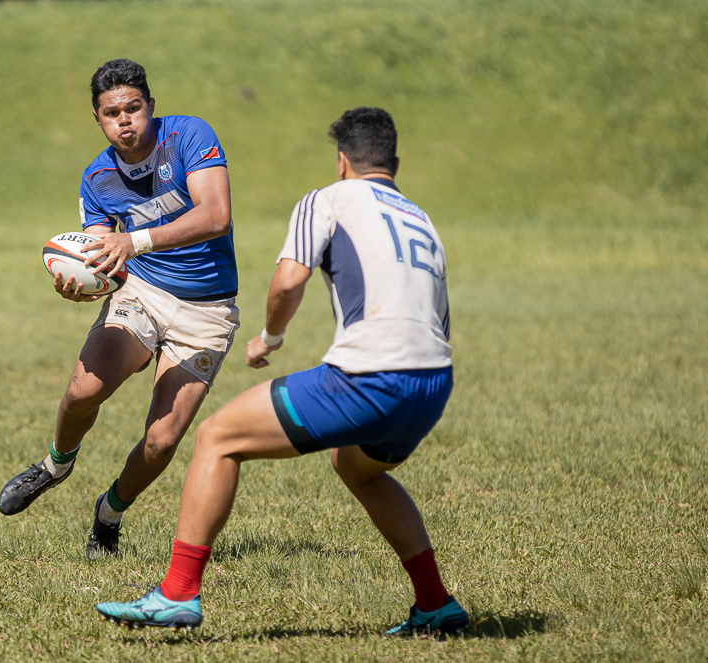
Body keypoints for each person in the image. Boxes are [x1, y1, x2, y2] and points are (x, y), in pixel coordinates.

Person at [94, 107, 470, 636]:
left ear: (342, 162)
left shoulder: (327, 199)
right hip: (433, 381)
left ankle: (177, 594)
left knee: (217, 438)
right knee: (359, 468)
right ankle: (435, 603)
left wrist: (270, 337)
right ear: (395, 164)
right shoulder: (420, 219)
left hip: (371, 375)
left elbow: (289, 281)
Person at [0, 59, 240, 560]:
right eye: (112, 113)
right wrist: (81, 281)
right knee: (84, 387)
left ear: (151, 106)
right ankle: (55, 465)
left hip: (207, 310)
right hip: (142, 292)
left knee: (161, 442)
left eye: (133, 107)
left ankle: (109, 513)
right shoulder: (97, 178)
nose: (125, 119)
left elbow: (215, 216)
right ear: (98, 119)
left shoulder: (189, 136)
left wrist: (134, 241)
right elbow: (103, 254)